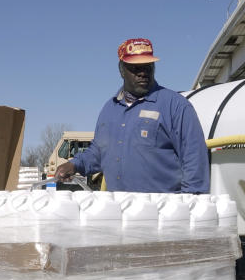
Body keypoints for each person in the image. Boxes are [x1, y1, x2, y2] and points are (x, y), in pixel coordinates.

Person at [55, 38, 210, 193]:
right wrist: (74, 164)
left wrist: (191, 204)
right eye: (135, 68)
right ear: (122, 70)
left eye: (148, 67)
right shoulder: (109, 110)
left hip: (162, 212)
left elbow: (194, 158)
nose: (143, 73)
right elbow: (98, 151)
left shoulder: (175, 106)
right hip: (119, 209)